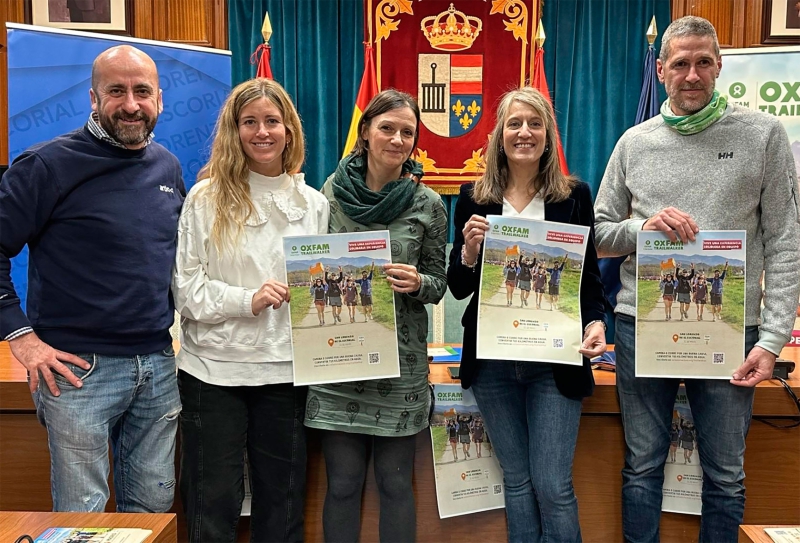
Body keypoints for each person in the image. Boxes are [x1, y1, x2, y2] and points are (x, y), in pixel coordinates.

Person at [593, 16, 800, 543]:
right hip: (643, 326)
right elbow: (597, 235)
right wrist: (643, 229)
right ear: (661, 70)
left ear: (719, 66)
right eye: (680, 64)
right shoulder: (634, 143)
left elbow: (784, 242)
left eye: (702, 62)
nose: (691, 74)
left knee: (725, 474)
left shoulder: (764, 135)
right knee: (642, 467)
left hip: (733, 330)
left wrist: (773, 339)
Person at [0, 45, 184, 512]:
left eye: (142, 91)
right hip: (78, 371)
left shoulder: (167, 166)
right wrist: (22, 338)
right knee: (83, 519)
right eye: (116, 91)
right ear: (93, 97)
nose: (130, 104)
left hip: (158, 365)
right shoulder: (45, 165)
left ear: (159, 98)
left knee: (152, 512)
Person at [447, 86, 607, 542]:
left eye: (535, 123)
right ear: (500, 134)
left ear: (547, 134)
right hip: (493, 361)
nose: (524, 132)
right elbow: (459, 286)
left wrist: (596, 322)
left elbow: (589, 278)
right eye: (514, 123)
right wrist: (470, 252)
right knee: (516, 483)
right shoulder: (473, 196)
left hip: (555, 359)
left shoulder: (573, 195)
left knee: (553, 485)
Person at [172, 78, 329, 542]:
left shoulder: (314, 204)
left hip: (285, 373)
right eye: (249, 122)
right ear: (233, 130)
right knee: (212, 502)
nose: (262, 132)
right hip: (213, 374)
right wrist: (248, 300)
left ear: (290, 130)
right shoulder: (205, 198)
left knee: (282, 504)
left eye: (272, 121)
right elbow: (187, 291)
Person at [304, 89, 447, 543]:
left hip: (399, 367)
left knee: (395, 485)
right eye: (387, 128)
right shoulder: (327, 194)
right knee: (342, 485)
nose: (397, 139)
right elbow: (306, 267)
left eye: (408, 131)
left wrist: (417, 283)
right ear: (365, 133)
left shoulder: (429, 204)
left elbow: (439, 283)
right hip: (336, 362)